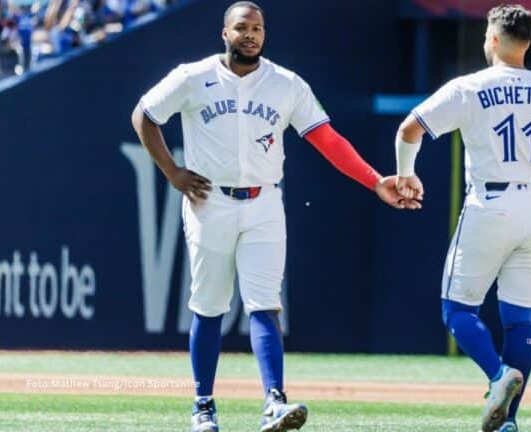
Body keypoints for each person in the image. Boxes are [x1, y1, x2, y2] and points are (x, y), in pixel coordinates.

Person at [131, 2, 419, 431]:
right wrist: (171, 171)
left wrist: (376, 181)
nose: (251, 35)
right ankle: (203, 407)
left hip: (264, 201)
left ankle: (274, 402)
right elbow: (145, 115)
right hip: (210, 201)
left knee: (265, 304)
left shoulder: (286, 84)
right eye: (242, 27)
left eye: (258, 28)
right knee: (209, 306)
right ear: (224, 33)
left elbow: (328, 140)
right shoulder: (193, 77)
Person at [392, 4, 531, 432]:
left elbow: (408, 130)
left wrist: (407, 173)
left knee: (457, 310)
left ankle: (497, 375)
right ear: (527, 41)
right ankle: (509, 421)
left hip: (491, 203)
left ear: (492, 39)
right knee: (520, 319)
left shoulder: (469, 86)